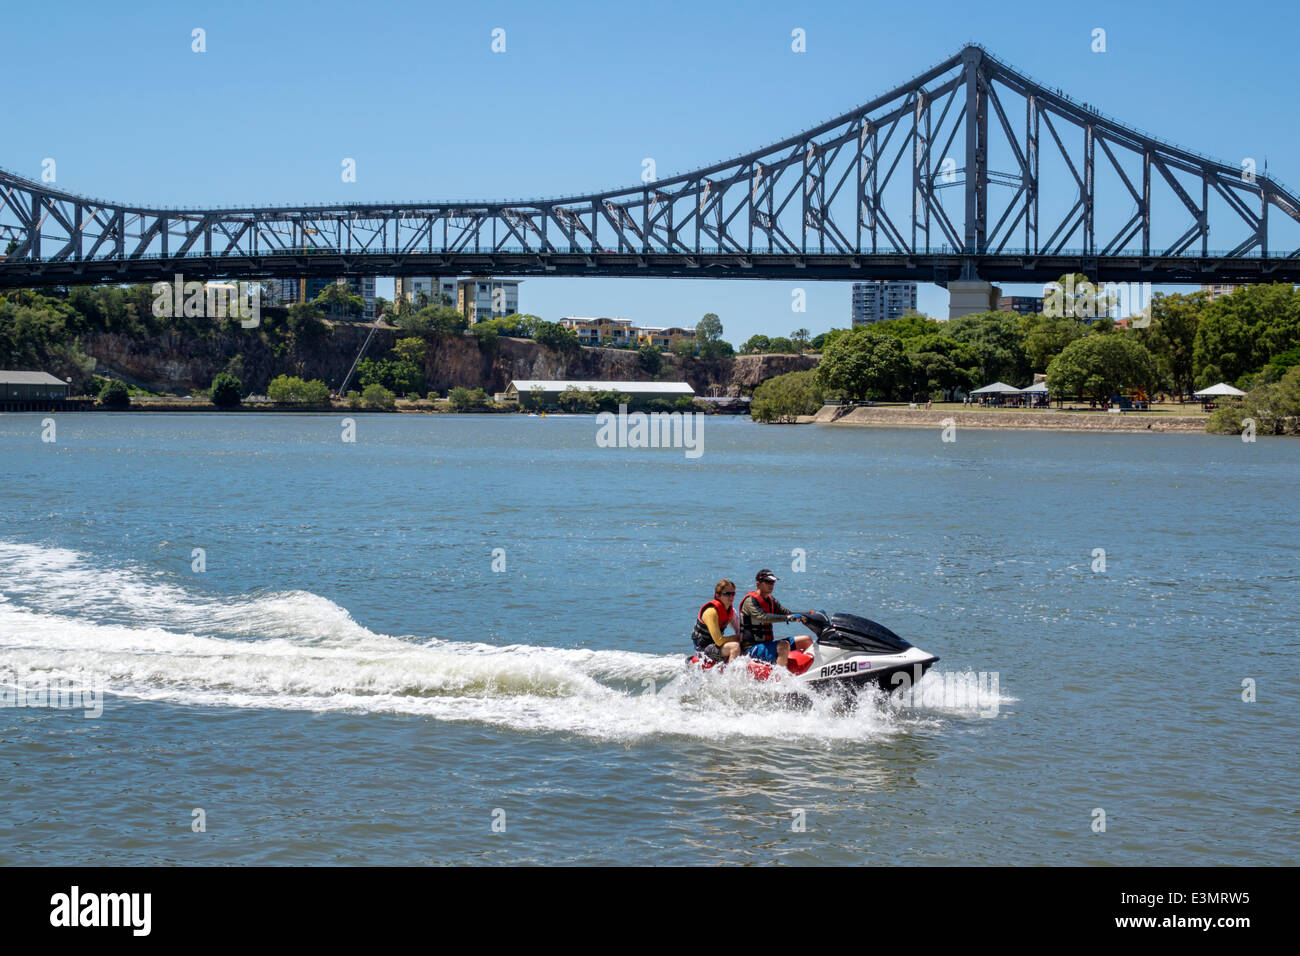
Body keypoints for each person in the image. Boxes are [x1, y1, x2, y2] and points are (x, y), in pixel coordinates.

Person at [739, 569, 813, 671]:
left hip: (767, 645)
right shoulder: (750, 601)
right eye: (768, 582)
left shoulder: (771, 601)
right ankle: (779, 679)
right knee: (783, 645)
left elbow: (787, 613)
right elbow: (762, 617)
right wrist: (786, 618)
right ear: (758, 584)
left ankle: (809, 672)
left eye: (773, 582)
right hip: (752, 649)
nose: (771, 585)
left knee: (806, 640)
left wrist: (809, 614)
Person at [690, 579, 741, 663]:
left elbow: (739, 631)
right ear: (718, 595)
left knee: (744, 643)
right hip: (703, 650)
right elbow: (719, 640)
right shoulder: (711, 612)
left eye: (733, 594)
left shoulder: (731, 612)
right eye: (727, 594)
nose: (731, 597)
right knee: (735, 647)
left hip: (716, 647)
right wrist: (737, 638)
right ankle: (729, 674)